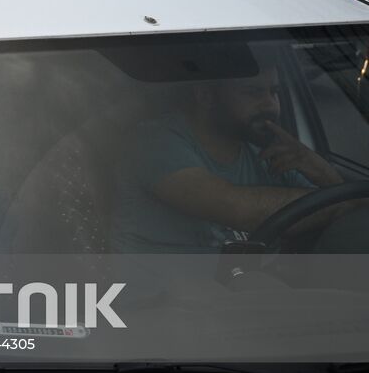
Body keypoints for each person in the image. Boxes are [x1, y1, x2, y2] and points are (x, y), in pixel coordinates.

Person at [112, 61, 345, 253]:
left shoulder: (274, 153)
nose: (270, 104)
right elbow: (238, 209)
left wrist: (320, 169)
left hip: (239, 292)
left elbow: (338, 207)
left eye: (274, 92)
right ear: (206, 96)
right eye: (253, 93)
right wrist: (346, 199)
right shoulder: (155, 142)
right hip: (157, 301)